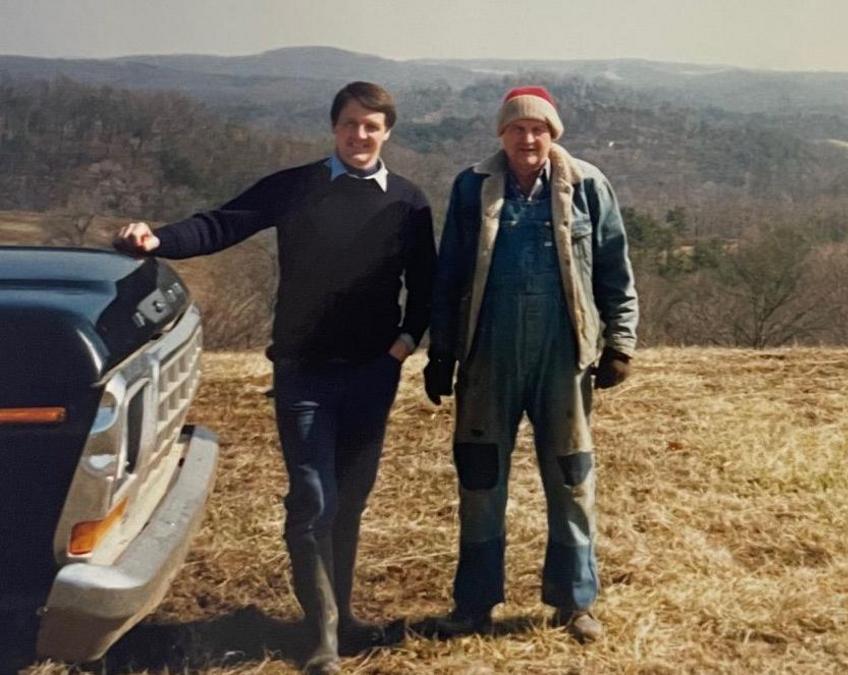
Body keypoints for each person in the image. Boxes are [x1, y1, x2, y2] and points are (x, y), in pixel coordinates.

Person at [113, 81, 435, 674]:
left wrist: (405, 343)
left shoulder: (408, 202)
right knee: (313, 497)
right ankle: (322, 636)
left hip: (372, 375)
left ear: (388, 131)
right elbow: (223, 223)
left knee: (351, 499)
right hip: (303, 371)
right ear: (333, 128)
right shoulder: (296, 187)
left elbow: (427, 283)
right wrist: (158, 238)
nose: (359, 135)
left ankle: (342, 613)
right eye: (349, 124)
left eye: (371, 125)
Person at [423, 86, 638, 643]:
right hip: (486, 358)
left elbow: (615, 271)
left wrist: (620, 343)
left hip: (561, 359)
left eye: (539, 129)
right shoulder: (472, 187)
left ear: (553, 134)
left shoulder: (588, 186)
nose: (528, 138)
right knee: (480, 478)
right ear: (502, 134)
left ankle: (575, 602)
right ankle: (473, 605)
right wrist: (441, 352)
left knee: (571, 477)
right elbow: (447, 276)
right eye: (517, 129)